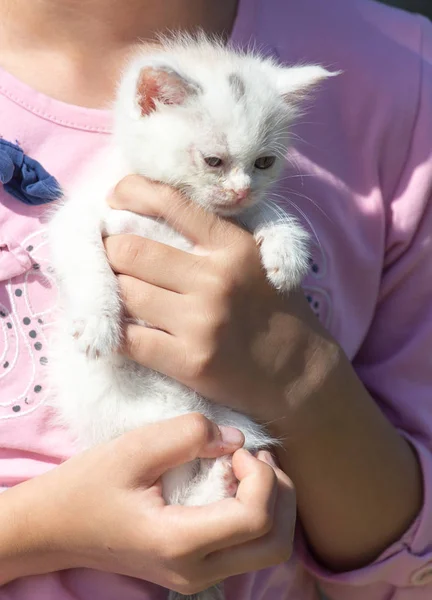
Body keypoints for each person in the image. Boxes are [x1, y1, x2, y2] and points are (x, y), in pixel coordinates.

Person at [0, 0, 431, 599]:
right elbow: (76, 233)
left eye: (262, 163)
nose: (239, 186)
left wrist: (301, 374)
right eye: (215, 162)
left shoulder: (398, 77)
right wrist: (44, 529)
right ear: (149, 101)